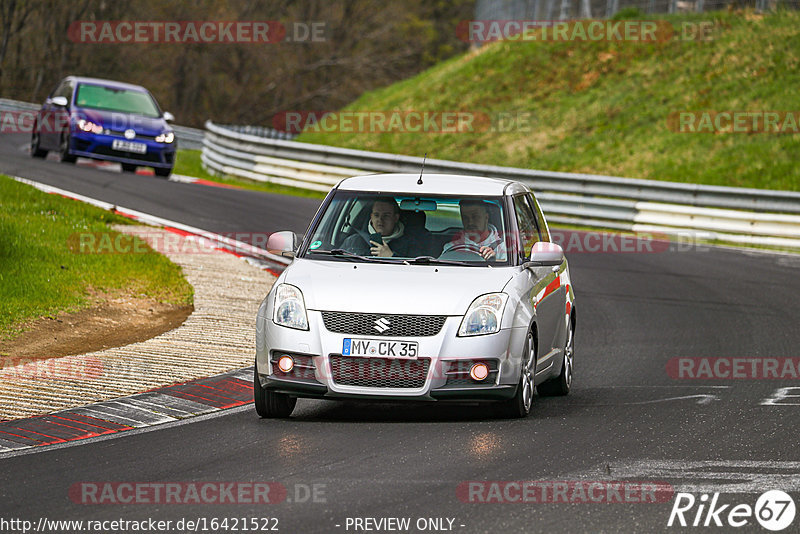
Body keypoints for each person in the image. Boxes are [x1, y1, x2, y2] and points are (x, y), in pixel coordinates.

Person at [341, 198, 413, 257]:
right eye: (376, 215)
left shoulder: (411, 244)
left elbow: (415, 271)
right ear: (371, 217)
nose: (380, 219)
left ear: (396, 218)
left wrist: (391, 256)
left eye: (386, 215)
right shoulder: (353, 241)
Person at [442, 199, 507, 261]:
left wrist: (495, 261)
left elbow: (508, 269)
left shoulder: (503, 247)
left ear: (486, 217)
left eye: (475, 216)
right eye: (465, 218)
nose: (470, 222)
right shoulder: (450, 248)